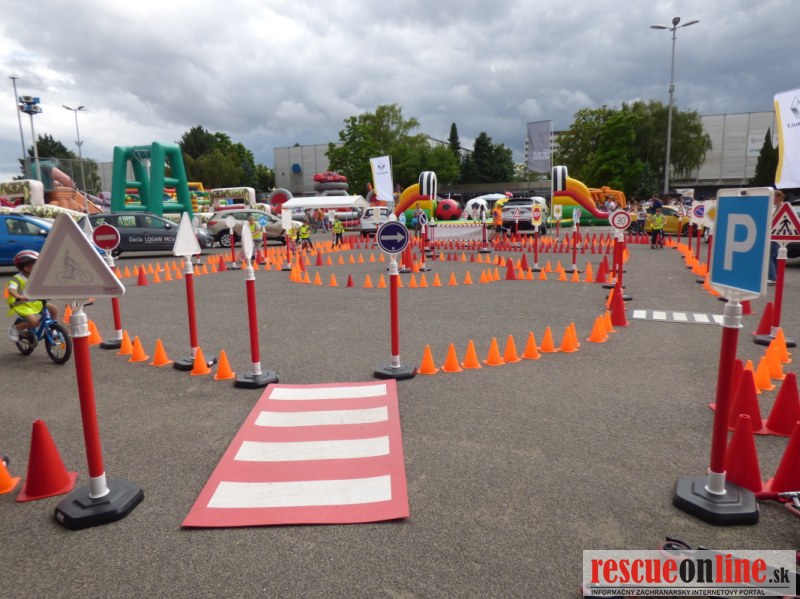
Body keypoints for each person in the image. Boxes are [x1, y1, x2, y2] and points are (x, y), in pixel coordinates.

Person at [6, 250, 59, 341]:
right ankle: (15, 328)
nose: (36, 267)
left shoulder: (36, 276)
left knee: (54, 309)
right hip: (22, 304)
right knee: (34, 323)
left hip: (35, 301)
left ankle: (52, 329)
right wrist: (18, 296)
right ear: (25, 268)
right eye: (32, 265)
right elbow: (11, 289)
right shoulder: (17, 278)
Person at [768, 190, 786, 285]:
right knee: (774, 257)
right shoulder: (777, 207)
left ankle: (773, 277)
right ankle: (776, 277)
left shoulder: (782, 207)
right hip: (775, 234)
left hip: (776, 235)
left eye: (774, 196)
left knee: (770, 257)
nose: (772, 199)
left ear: (778, 197)